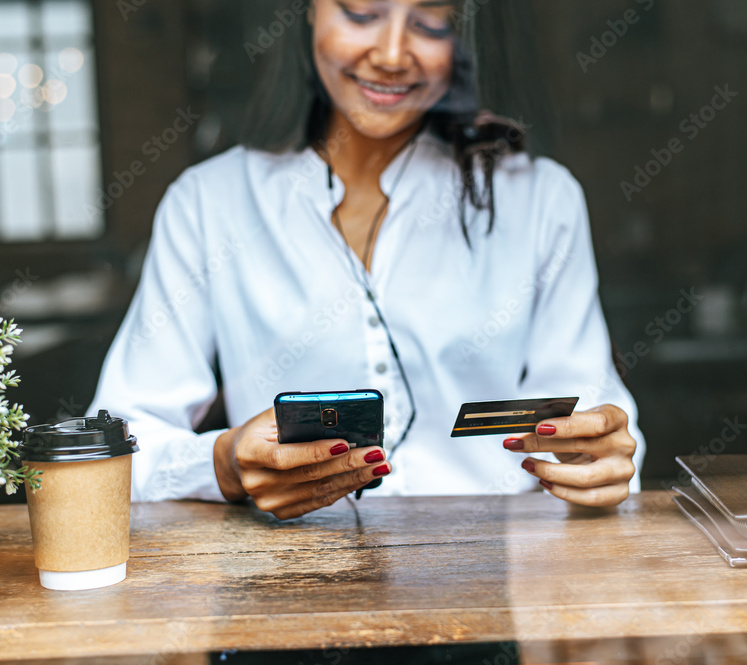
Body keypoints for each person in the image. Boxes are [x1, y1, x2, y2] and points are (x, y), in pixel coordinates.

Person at [88, 0, 645, 520]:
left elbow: (597, 423)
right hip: (284, 587)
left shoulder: (539, 197)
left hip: (493, 580)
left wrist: (602, 462)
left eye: (431, 22)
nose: (392, 55)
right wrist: (224, 463)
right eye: (362, 13)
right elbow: (113, 450)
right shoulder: (210, 203)